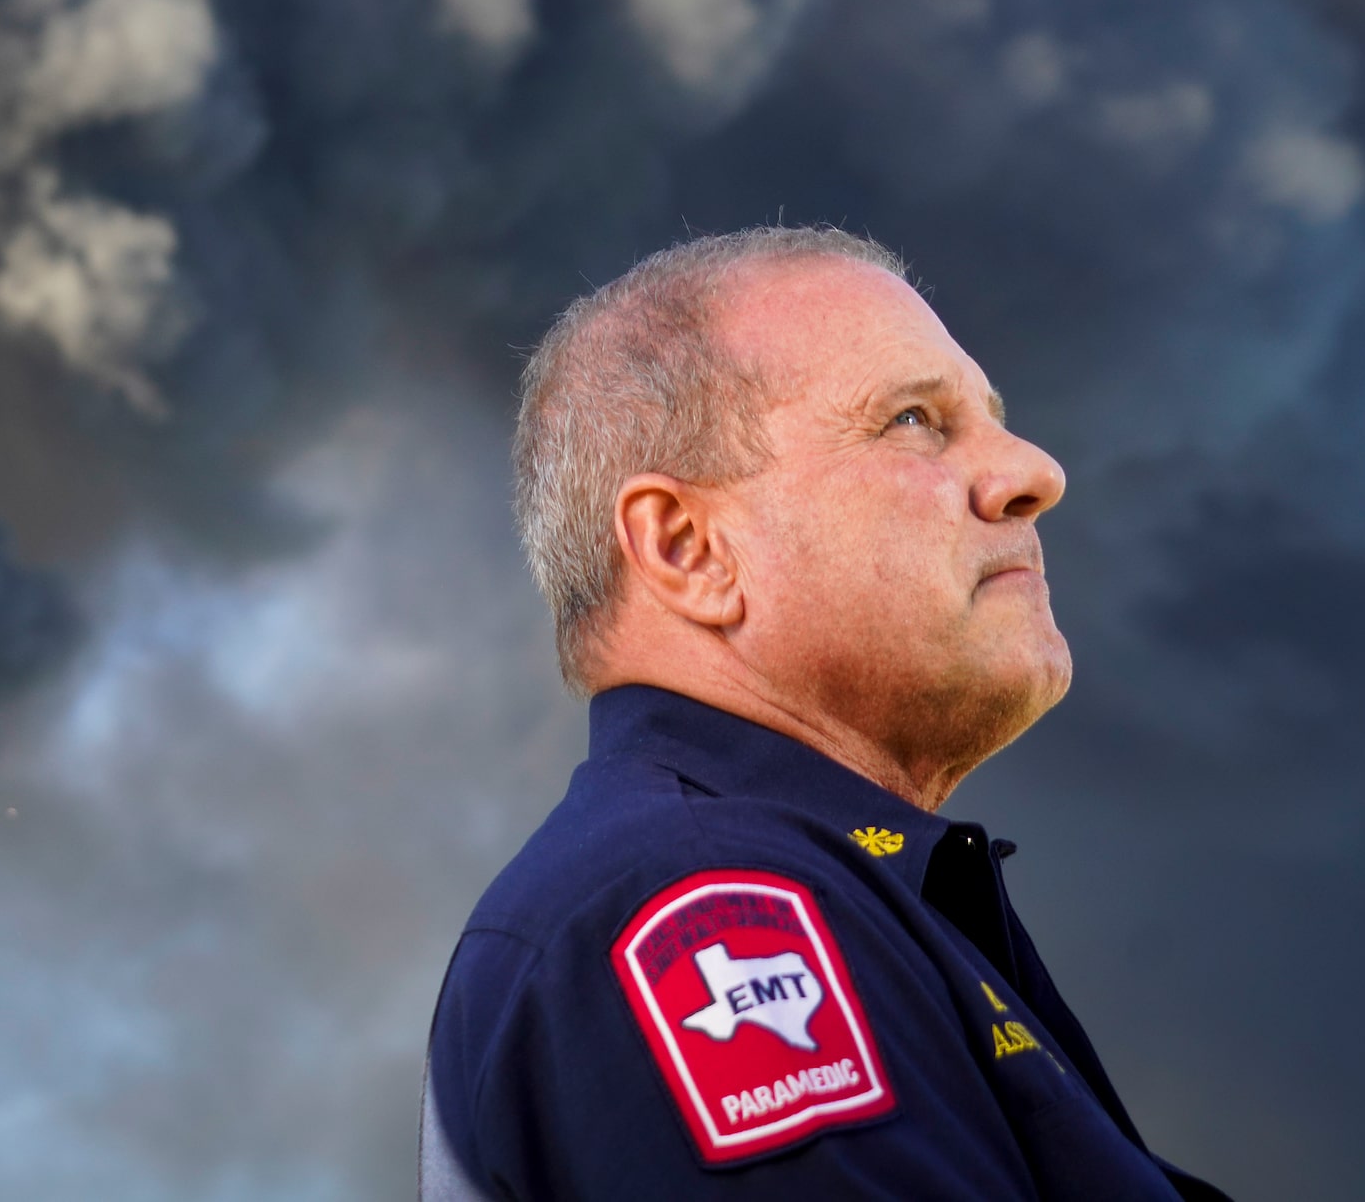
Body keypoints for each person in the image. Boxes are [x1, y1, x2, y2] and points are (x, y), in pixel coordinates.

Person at [422, 227, 1230, 1200]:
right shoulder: (710, 910)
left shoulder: (797, 886)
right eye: (913, 421)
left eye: (992, 418)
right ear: (687, 548)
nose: (1033, 472)